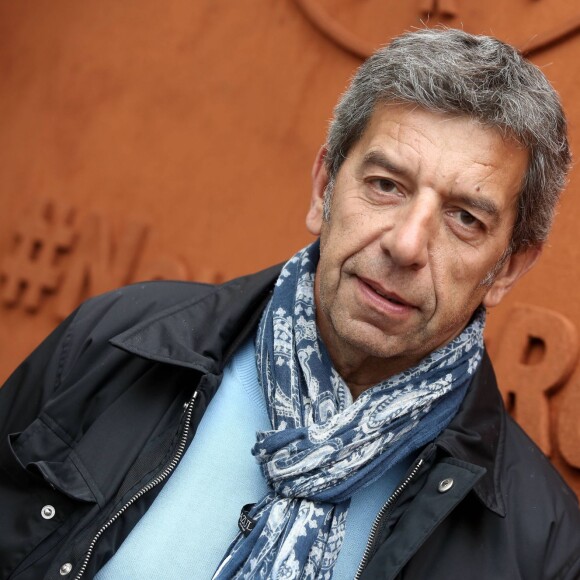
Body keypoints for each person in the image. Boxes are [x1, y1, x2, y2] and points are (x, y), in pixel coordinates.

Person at [1, 28, 579, 580]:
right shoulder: (114, 343)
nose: (405, 244)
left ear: (507, 267)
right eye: (385, 185)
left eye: (464, 218)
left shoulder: (545, 546)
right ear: (324, 187)